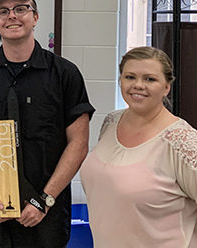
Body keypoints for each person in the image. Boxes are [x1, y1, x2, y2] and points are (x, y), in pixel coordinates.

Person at [0, 0, 95, 248]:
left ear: (35, 16)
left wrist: (45, 200)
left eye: (21, 8)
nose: (12, 16)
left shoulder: (65, 74)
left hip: (46, 214)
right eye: (3, 11)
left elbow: (79, 143)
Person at [80, 46, 197, 247]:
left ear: (167, 86)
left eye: (150, 79)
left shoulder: (182, 140)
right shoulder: (111, 121)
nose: (138, 85)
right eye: (130, 77)